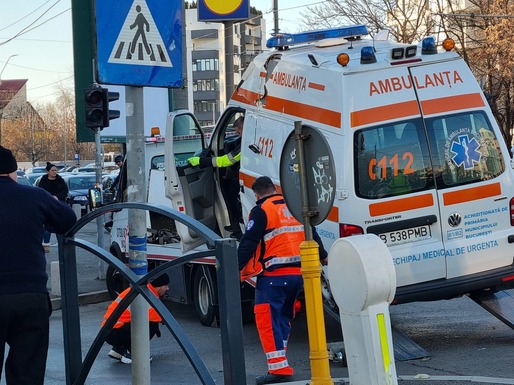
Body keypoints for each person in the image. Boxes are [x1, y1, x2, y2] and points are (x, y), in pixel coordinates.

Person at [237, 176, 328, 385]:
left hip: (273, 277)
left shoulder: (261, 210)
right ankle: (280, 362)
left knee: (268, 321)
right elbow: (311, 233)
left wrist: (233, 267)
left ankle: (279, 368)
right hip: (299, 275)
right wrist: (323, 255)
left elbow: (249, 242)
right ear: (275, 188)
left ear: (257, 194)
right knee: (283, 319)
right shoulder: (294, 207)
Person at [0, 146, 76, 385]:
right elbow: (67, 220)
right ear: (13, 172)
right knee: (28, 372)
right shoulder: (35, 196)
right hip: (30, 296)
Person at [187, 116, 244, 239]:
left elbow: (227, 161)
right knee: (231, 188)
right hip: (246, 177)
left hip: (246, 179)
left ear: (244, 129)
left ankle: (239, 229)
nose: (238, 135)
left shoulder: (247, 142)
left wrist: (201, 161)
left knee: (234, 192)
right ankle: (235, 225)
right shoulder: (244, 141)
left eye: (239, 132)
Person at [102, 273, 170, 364]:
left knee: (135, 321)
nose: (167, 289)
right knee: (152, 325)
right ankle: (135, 353)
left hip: (108, 332)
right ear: (158, 286)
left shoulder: (140, 290)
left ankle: (119, 350)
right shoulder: (147, 296)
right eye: (165, 285)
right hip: (115, 332)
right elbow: (159, 318)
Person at [36, 162, 69, 252]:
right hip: (47, 205)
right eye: (52, 170)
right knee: (47, 225)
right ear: (48, 171)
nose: (54, 172)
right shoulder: (43, 181)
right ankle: (46, 244)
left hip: (59, 204)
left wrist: (57, 197)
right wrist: (50, 197)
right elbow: (41, 191)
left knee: (60, 224)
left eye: (55, 170)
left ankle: (63, 242)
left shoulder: (60, 180)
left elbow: (65, 190)